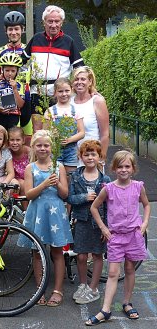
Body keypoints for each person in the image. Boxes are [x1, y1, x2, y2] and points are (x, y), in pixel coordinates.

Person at [86, 150, 150, 325]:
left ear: (133, 168)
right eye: (120, 166)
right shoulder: (109, 189)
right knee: (114, 272)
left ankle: (127, 303)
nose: (123, 170)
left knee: (130, 269)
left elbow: (146, 204)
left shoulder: (138, 186)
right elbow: (94, 207)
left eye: (127, 166)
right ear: (114, 168)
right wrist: (103, 228)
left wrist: (144, 224)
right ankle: (105, 309)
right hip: (116, 237)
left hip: (133, 236)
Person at [17, 130, 72, 307]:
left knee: (57, 251)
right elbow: (29, 194)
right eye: (39, 145)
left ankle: (57, 290)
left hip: (55, 213)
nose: (43, 148)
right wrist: (44, 184)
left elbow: (65, 195)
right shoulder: (30, 168)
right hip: (37, 213)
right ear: (33, 147)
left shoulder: (59, 167)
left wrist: (57, 184)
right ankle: (40, 288)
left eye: (46, 145)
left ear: (52, 147)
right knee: (37, 252)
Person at [22, 5, 84, 127]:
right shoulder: (36, 39)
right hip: (37, 93)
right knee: (39, 132)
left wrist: (89, 89)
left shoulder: (68, 41)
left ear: (62, 23)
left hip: (59, 94)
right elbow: (20, 61)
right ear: (44, 22)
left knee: (57, 132)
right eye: (50, 21)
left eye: (57, 21)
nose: (53, 25)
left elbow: (80, 68)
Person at [67, 140, 111, 305]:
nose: (90, 157)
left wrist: (106, 226)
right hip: (82, 221)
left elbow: (108, 205)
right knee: (81, 255)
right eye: (87, 154)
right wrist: (83, 197)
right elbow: (69, 198)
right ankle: (83, 284)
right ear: (81, 156)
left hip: (98, 223)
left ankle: (93, 288)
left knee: (98, 254)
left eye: (94, 154)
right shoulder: (76, 176)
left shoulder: (104, 178)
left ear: (100, 157)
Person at [43, 78, 85, 174]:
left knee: (71, 176)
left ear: (71, 90)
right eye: (60, 91)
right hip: (55, 150)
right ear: (55, 93)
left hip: (71, 151)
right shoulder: (50, 111)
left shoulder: (76, 111)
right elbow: (45, 132)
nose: (64, 94)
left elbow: (82, 133)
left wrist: (69, 139)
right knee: (55, 175)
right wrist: (52, 134)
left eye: (67, 91)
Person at [71, 66, 109, 161]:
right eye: (76, 79)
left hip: (92, 157)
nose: (79, 82)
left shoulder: (97, 101)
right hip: (71, 158)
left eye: (83, 79)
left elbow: (105, 134)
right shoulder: (68, 102)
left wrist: (101, 159)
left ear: (90, 82)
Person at [0, 52, 25, 130]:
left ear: (17, 71)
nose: (9, 73)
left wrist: (14, 89)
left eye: (13, 71)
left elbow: (20, 105)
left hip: (14, 117)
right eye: (7, 70)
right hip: (0, 117)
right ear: (2, 70)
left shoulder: (20, 85)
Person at [0, 11, 26, 79]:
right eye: (10, 29)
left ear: (22, 30)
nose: (13, 32)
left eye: (16, 29)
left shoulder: (28, 50)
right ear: (6, 31)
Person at [8, 126, 31, 198]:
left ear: (23, 140)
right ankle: (24, 208)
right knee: (23, 184)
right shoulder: (7, 152)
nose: (15, 143)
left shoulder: (29, 152)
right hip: (15, 179)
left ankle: (28, 208)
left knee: (26, 184)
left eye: (18, 140)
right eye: (12, 140)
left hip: (29, 178)